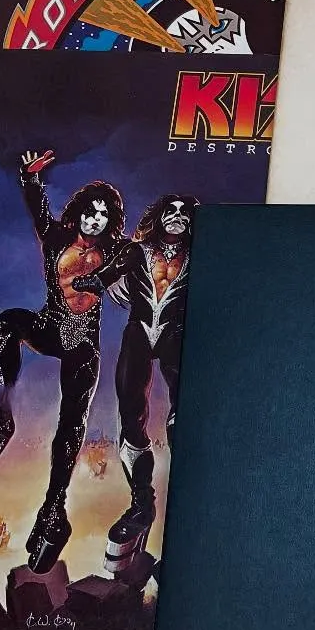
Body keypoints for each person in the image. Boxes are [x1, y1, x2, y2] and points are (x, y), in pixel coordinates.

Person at [0, 150, 125, 572]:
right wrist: (30, 179)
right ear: (79, 211)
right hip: (50, 326)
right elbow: (39, 209)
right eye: (91, 211)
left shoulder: (116, 251)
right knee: (9, 322)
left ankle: (54, 508)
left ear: (110, 223)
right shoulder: (55, 237)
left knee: (71, 425)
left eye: (104, 215)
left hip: (83, 346)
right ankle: (1, 414)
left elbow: (146, 253)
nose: (95, 219)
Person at [72, 194, 200, 575]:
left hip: (176, 335)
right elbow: (110, 272)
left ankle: (190, 505)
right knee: (130, 417)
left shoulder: (201, 254)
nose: (177, 217)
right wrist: (94, 281)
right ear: (158, 216)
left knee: (183, 416)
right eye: (170, 211)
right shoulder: (137, 250)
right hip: (139, 332)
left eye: (184, 213)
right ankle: (142, 501)